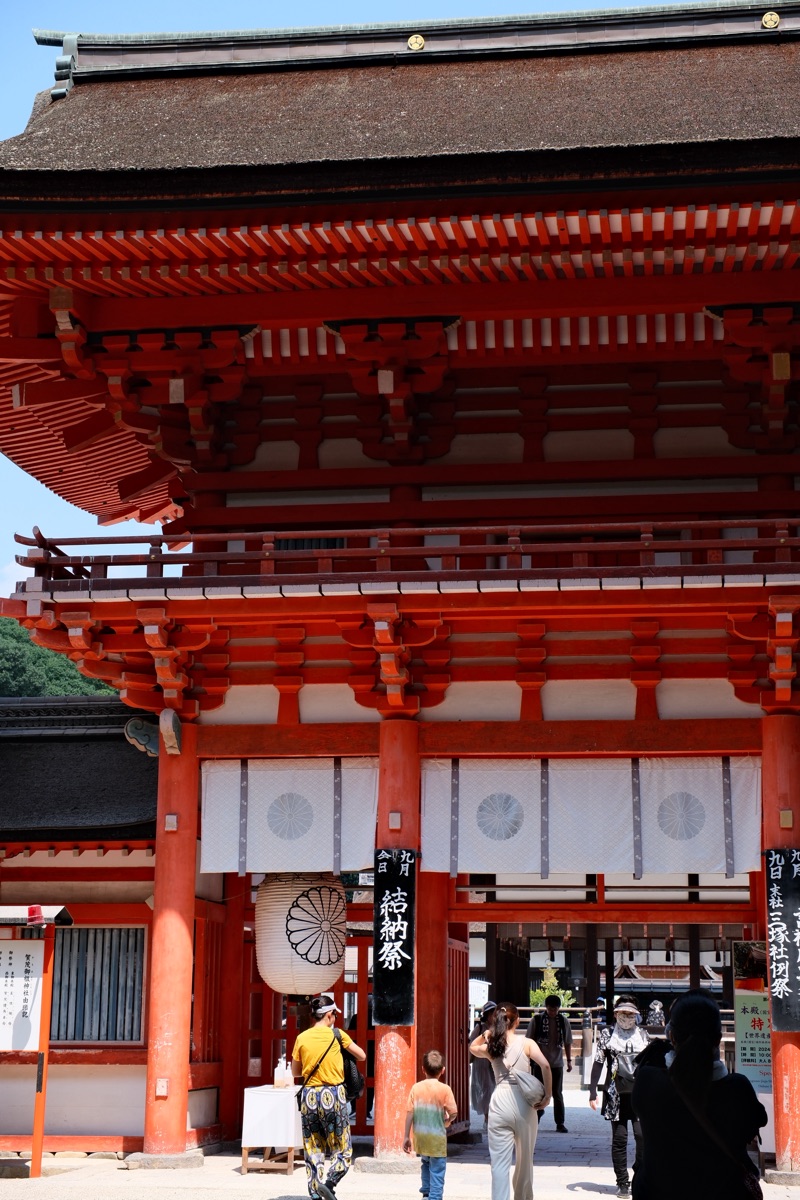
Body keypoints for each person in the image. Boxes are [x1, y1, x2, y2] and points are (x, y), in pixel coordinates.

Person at [632, 991, 767, 1200]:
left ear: (672, 1035)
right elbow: (756, 1122)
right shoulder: (738, 1088)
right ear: (718, 1038)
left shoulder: (648, 1081)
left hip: (657, 1191)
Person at [470, 1001, 552, 1200]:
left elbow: (472, 1047)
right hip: (524, 1102)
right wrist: (548, 1095)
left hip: (499, 1101)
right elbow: (546, 1067)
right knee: (525, 1161)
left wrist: (487, 1033)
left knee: (498, 1164)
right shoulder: (527, 1043)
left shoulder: (492, 1045)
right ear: (517, 1021)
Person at [292, 994, 367, 1200]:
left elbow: (296, 1072)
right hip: (333, 1094)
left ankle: (316, 1193)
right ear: (329, 1015)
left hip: (309, 1096)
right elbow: (362, 1055)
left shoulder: (302, 1038)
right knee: (343, 1149)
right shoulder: (338, 1035)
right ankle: (330, 1183)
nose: (335, 1018)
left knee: (313, 1147)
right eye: (334, 1014)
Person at [589, 994, 649, 1198]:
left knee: (642, 1136)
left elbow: (649, 1063)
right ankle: (622, 1181)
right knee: (620, 1138)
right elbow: (598, 1062)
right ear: (615, 1014)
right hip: (615, 1093)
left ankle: (639, 1174)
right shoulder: (607, 1035)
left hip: (640, 1092)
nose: (626, 1017)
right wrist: (592, 1091)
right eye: (622, 1013)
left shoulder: (642, 1034)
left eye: (630, 1013)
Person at [403, 1049, 458, 1200]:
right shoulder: (445, 1089)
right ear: (443, 1070)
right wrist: (447, 1121)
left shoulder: (416, 1087)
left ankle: (426, 1193)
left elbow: (409, 1112)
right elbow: (453, 1113)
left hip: (421, 1137)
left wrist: (406, 1136)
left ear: (423, 1069)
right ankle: (434, 1197)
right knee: (438, 1170)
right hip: (437, 1139)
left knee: (425, 1164)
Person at [526, 994, 573, 1132]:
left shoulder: (563, 1021)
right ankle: (536, 1119)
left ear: (559, 1008)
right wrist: (529, 1060)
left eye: (555, 1010)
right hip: (539, 1063)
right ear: (546, 1007)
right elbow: (529, 1040)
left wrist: (569, 1060)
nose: (552, 1012)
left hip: (557, 1063)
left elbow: (568, 1042)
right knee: (538, 1093)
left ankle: (560, 1122)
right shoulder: (537, 1020)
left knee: (557, 1093)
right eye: (550, 1009)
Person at [469, 1000, 497, 1129]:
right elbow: (472, 1044)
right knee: (487, 1089)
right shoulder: (480, 1028)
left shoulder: (499, 1028)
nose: (494, 1016)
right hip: (482, 1062)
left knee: (495, 1089)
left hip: (496, 1061)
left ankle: (493, 1117)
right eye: (491, 1013)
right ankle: (487, 1118)